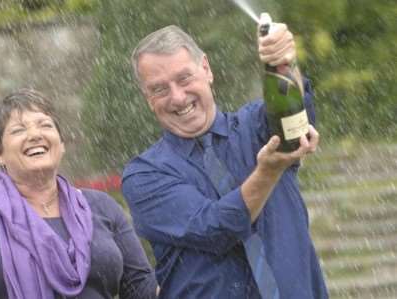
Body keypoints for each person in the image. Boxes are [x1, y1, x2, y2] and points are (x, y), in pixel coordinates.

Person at [122, 18, 328, 299]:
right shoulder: (144, 175)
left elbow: (295, 123)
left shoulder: (256, 127)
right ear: (148, 98)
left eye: (184, 79)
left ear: (206, 69)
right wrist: (267, 172)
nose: (178, 97)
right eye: (160, 89)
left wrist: (283, 62)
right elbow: (215, 228)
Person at [0, 89, 157, 299]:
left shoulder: (100, 206)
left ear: (62, 144)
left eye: (45, 125)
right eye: (18, 130)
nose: (35, 135)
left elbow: (141, 289)